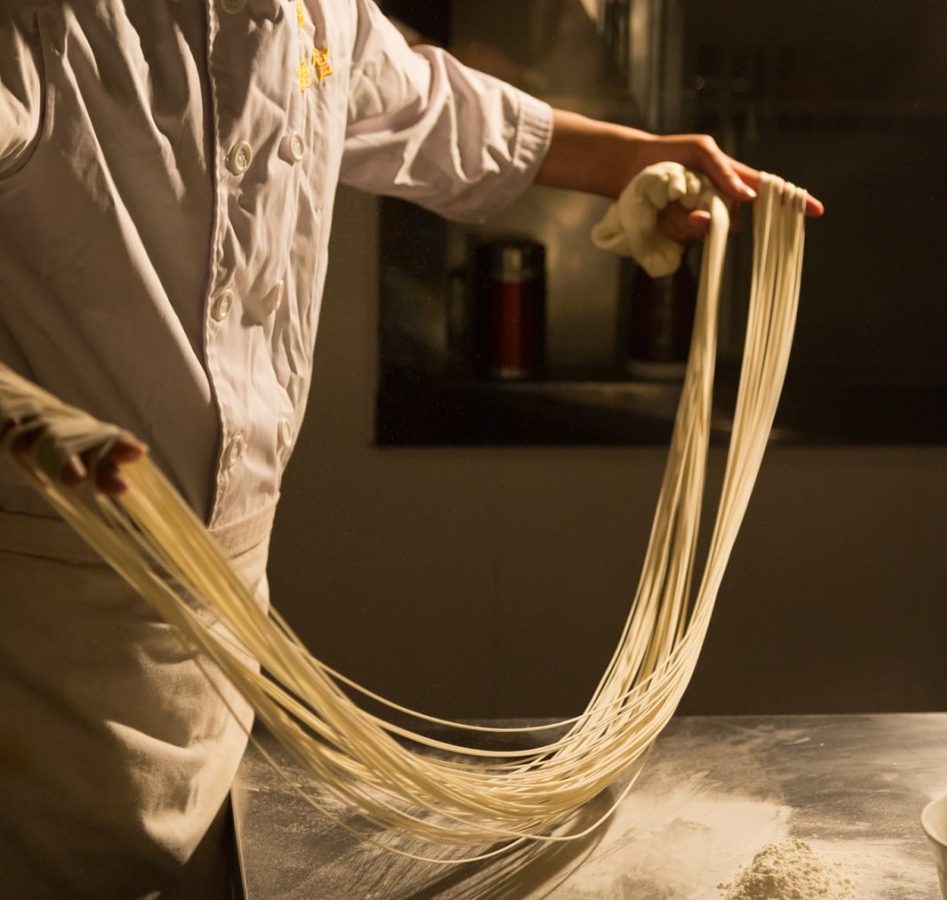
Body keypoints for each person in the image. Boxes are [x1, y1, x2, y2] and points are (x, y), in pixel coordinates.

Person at [0, 2, 823, 895]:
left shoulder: (314, 17)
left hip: (219, 609)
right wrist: (17, 409)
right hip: (42, 624)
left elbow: (424, 104)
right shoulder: (46, 24)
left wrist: (627, 158)